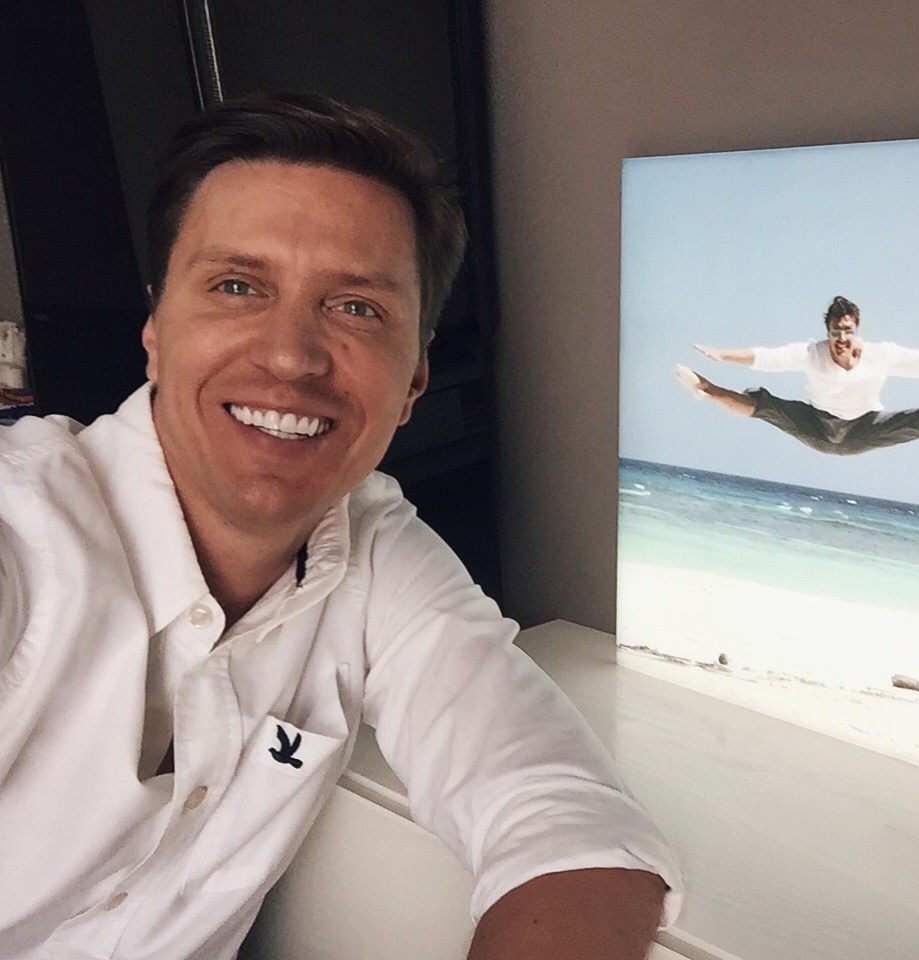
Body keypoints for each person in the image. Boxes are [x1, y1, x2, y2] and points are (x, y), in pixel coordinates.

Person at [0, 93, 679, 960]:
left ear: (414, 381)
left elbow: (566, 825)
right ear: (156, 331)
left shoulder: (375, 549)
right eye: (237, 287)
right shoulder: (23, 533)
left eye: (356, 307)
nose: (290, 356)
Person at [675, 295, 919, 456]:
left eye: (847, 331)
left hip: (865, 427)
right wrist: (722, 355)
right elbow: (767, 357)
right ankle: (707, 389)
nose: (841, 339)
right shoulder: (811, 353)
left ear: (857, 329)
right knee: (764, 403)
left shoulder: (882, 355)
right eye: (835, 333)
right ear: (827, 332)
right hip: (815, 425)